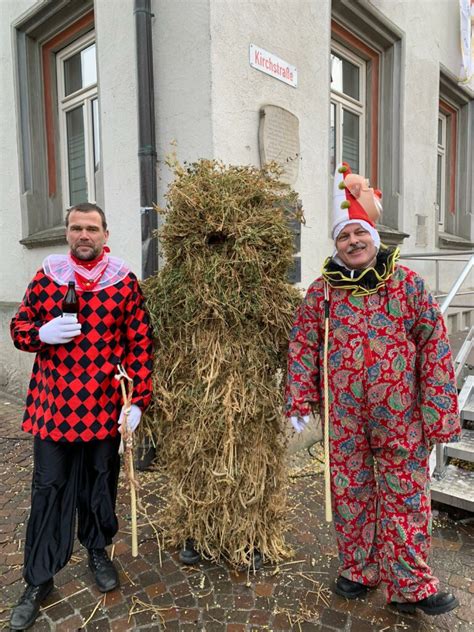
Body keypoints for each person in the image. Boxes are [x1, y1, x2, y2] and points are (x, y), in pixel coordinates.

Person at [285, 163, 461, 615]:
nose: (353, 243)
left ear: (373, 237)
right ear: (337, 244)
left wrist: (438, 409)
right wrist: (300, 399)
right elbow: (304, 345)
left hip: (400, 416)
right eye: (344, 237)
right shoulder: (322, 291)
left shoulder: (406, 285)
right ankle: (359, 569)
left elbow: (435, 346)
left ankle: (411, 584)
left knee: (405, 495)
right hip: (343, 417)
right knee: (350, 491)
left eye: (359, 233)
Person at [9, 203, 153, 630]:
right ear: (67, 234)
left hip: (105, 408)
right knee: (48, 490)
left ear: (106, 234)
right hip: (54, 408)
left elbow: (139, 344)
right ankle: (39, 578)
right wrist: (39, 334)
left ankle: (96, 550)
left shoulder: (123, 283)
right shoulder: (48, 276)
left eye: (92, 228)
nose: (83, 235)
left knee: (99, 485)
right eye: (76, 228)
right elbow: (18, 327)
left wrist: (138, 401)